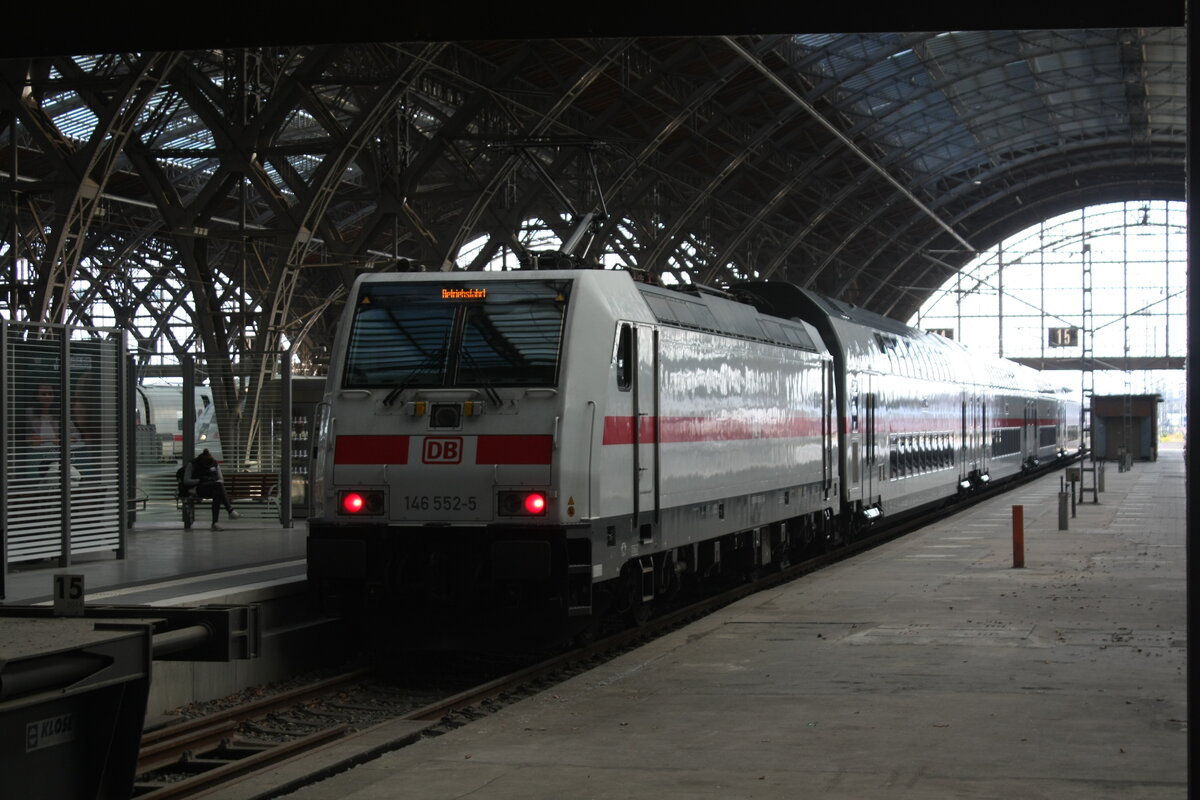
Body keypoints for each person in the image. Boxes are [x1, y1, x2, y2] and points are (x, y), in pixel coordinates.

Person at [182, 448, 240, 530]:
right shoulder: (193, 464)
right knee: (218, 487)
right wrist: (199, 480)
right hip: (198, 489)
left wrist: (213, 482)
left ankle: (215, 523)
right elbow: (186, 481)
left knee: (217, 492)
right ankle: (229, 510)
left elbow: (221, 479)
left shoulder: (214, 463)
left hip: (212, 488)